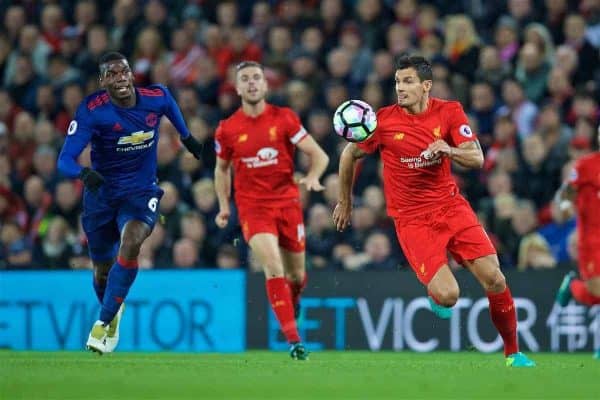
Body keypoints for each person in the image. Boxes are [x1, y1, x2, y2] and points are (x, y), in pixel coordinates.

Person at [332, 56, 535, 367]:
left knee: (494, 278)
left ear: (426, 85)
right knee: (449, 295)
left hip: (451, 207)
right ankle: (436, 291)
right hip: (413, 220)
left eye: (408, 81)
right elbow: (349, 154)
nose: (400, 88)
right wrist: (345, 201)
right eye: (398, 82)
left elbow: (477, 158)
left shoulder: (450, 112)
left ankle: (513, 353)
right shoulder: (383, 122)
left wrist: (448, 150)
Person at [57, 52, 203, 354]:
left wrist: (187, 138)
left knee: (132, 240)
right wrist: (84, 174)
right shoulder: (92, 110)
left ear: (131, 74)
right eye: (112, 74)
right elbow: (64, 160)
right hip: (102, 197)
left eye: (123, 72)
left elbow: (169, 104)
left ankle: (103, 322)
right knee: (101, 271)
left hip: (141, 192)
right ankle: (114, 309)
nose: (120, 78)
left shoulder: (155, 97)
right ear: (102, 81)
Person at [214, 61, 329, 360]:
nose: (252, 83)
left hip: (288, 204)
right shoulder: (227, 129)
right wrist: (225, 206)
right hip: (253, 209)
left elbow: (319, 155)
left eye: (256, 78)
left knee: (296, 276)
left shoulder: (285, 119)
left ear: (265, 85)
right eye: (245, 79)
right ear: (237, 88)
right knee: (273, 265)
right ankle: (294, 341)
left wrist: (314, 176)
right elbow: (221, 169)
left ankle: (295, 300)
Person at [554, 125, 600, 360]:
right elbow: (568, 191)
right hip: (591, 239)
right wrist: (565, 205)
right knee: (596, 290)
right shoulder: (586, 165)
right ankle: (574, 287)